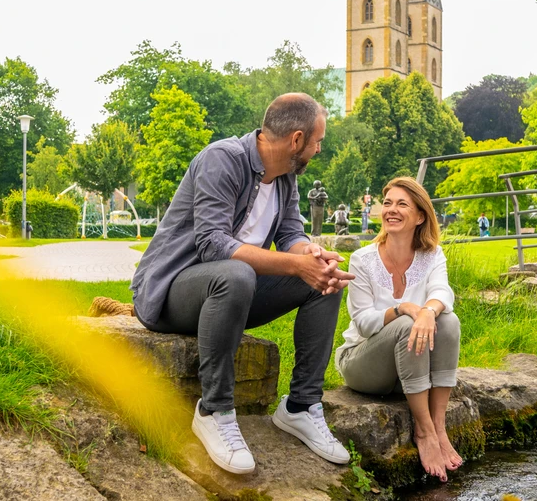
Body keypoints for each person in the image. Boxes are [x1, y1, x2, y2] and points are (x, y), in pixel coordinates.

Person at [131, 93, 356, 475]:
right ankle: (214, 410)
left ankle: (301, 406)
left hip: (232, 293)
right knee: (237, 273)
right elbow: (213, 244)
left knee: (324, 280)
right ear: (297, 139)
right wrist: (294, 265)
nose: (319, 149)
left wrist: (312, 255)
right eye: (318, 141)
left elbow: (290, 233)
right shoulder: (222, 159)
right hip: (172, 292)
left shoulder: (286, 177)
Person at [337, 177, 462, 482]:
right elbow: (364, 322)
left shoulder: (432, 255)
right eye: (388, 203)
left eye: (401, 204)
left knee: (448, 319)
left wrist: (427, 312)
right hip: (363, 364)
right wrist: (404, 308)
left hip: (409, 369)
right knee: (408, 322)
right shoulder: (362, 260)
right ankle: (423, 430)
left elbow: (443, 293)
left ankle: (438, 427)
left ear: (420, 216)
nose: (391, 210)